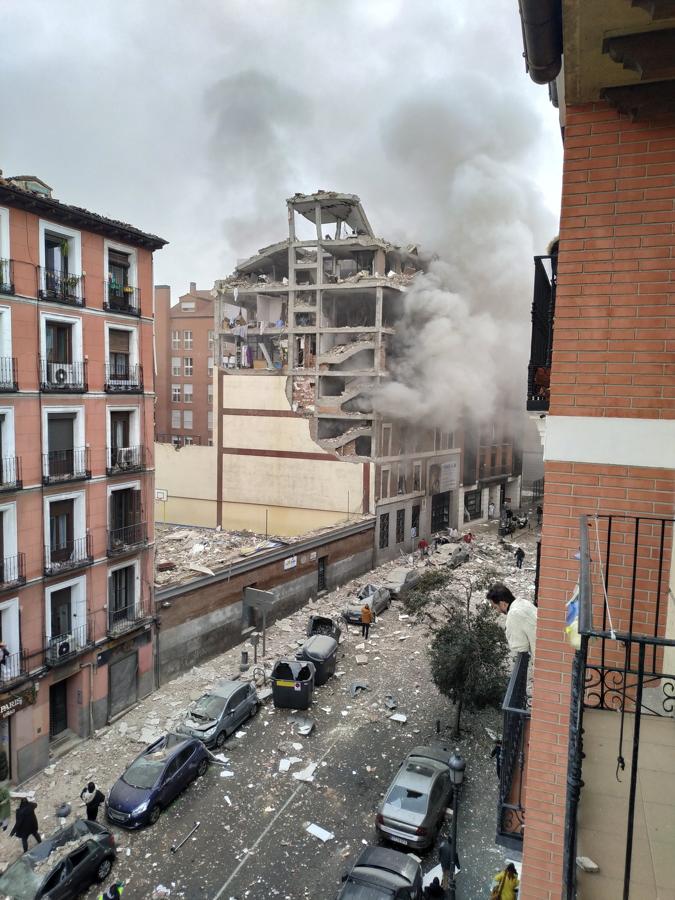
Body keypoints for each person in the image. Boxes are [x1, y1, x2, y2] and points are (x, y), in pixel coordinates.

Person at [487, 582, 537, 656]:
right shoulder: (524, 603)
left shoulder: (513, 614)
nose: (497, 611)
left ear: (502, 604)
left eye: (495, 607)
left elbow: (520, 649)